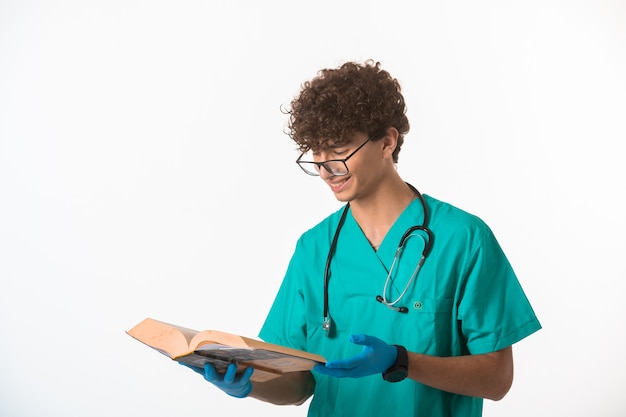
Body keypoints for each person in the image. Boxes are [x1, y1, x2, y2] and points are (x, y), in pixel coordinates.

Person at [184, 60, 541, 416]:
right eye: (316, 156)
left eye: (339, 151)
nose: (326, 171)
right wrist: (249, 384)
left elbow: (497, 378)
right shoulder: (314, 249)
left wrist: (402, 361)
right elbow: (298, 385)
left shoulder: (463, 239)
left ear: (387, 141)